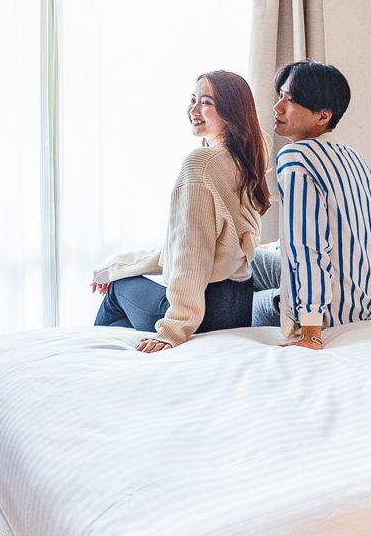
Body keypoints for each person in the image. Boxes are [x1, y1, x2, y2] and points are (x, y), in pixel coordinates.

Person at [90, 70, 269, 353]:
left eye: (206, 103)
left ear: (231, 111)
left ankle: (97, 362)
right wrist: (115, 268)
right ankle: (124, 360)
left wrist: (173, 329)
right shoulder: (245, 162)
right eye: (193, 100)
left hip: (206, 309)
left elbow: (190, 252)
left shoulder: (201, 163)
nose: (193, 110)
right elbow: (180, 247)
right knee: (120, 286)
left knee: (117, 290)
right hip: (238, 306)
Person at [251, 60, 371, 348]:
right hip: (362, 299)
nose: (277, 107)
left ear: (323, 115)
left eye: (291, 100)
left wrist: (311, 329)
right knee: (246, 255)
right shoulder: (355, 159)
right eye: (280, 96)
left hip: (329, 311)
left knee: (233, 286)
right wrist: (278, 247)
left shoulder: (296, 158)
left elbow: (308, 246)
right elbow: (344, 231)